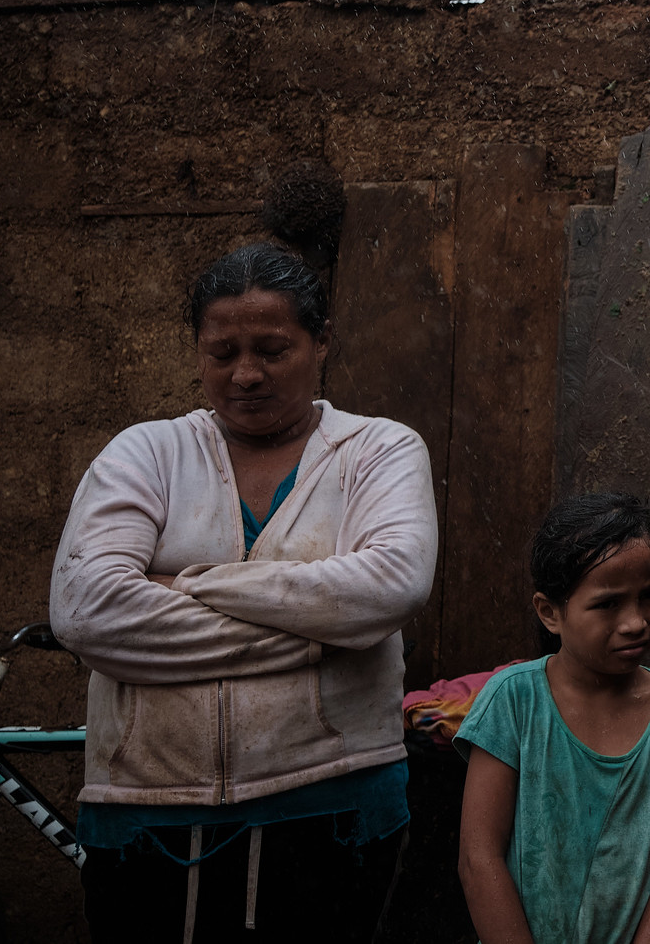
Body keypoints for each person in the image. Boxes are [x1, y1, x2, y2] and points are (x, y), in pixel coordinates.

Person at [51, 241, 438, 944]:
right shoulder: (146, 453)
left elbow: (392, 584)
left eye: (272, 348)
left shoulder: (378, 450)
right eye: (222, 352)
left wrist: (187, 584)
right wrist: (324, 627)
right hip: (148, 812)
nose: (246, 374)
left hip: (334, 805)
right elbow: (86, 609)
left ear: (321, 342)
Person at [457, 493, 650, 944]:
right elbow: (478, 859)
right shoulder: (514, 699)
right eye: (608, 604)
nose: (636, 622)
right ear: (550, 613)